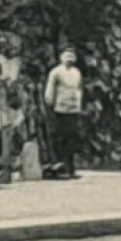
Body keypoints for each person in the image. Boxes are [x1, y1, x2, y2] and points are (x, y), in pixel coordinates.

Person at [43, 47, 84, 177]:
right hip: (59, 108)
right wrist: (50, 102)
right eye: (67, 56)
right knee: (59, 138)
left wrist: (79, 104)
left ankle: (70, 168)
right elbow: (50, 89)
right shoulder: (56, 72)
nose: (69, 59)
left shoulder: (77, 72)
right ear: (61, 57)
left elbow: (79, 89)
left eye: (72, 56)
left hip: (73, 109)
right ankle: (59, 166)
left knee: (72, 138)